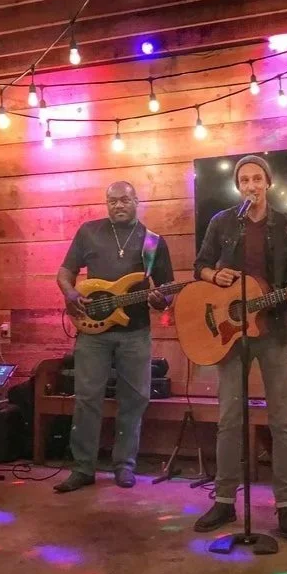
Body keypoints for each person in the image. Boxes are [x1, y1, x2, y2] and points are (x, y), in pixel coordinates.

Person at [192, 155, 287, 540]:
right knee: (229, 418)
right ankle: (225, 500)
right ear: (238, 186)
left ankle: (286, 506)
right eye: (244, 180)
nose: (251, 185)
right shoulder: (223, 223)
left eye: (257, 178)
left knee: (281, 421)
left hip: (275, 329)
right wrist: (214, 274)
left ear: (268, 183)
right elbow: (200, 267)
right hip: (230, 332)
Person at [54, 181, 174, 492]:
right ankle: (83, 468)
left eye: (124, 200)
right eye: (112, 201)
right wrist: (70, 293)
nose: (118, 206)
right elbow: (65, 272)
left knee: (134, 400)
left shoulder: (153, 242)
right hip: (92, 332)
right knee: (86, 399)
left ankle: (124, 466)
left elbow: (165, 290)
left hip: (135, 332)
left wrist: (161, 299)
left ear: (137, 201)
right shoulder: (89, 232)